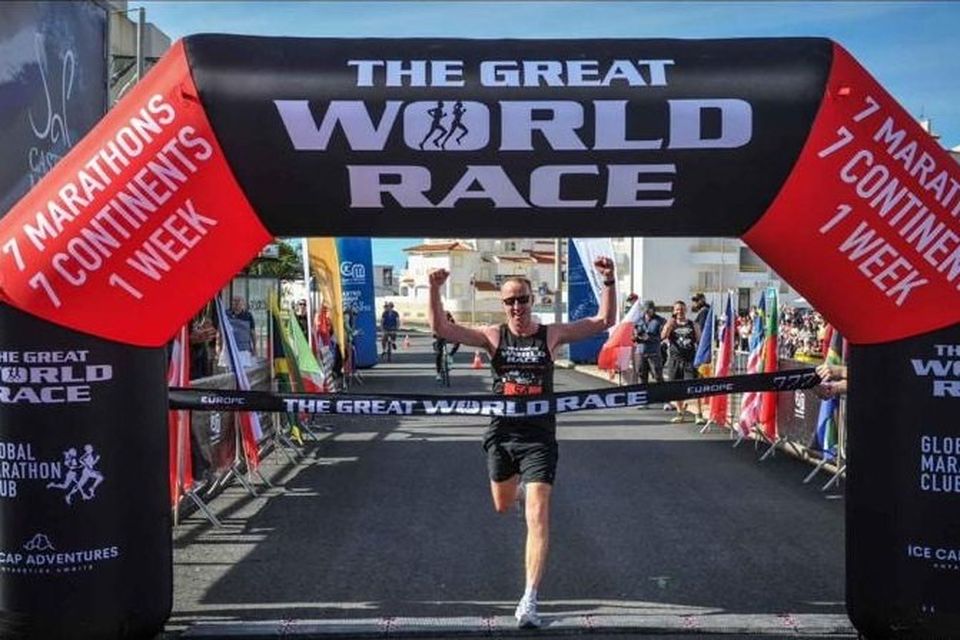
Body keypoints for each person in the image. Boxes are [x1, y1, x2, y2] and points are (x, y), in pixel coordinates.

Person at [428, 257, 616, 629]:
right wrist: (434, 289)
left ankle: (529, 599)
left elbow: (603, 322)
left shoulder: (551, 335)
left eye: (523, 299)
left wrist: (608, 280)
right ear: (503, 305)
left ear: (533, 300)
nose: (518, 307)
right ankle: (516, 491)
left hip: (538, 438)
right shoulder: (493, 336)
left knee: (538, 512)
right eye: (511, 301)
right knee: (502, 505)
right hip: (502, 435)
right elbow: (442, 328)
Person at [661, 300, 702, 423]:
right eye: (677, 309)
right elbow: (663, 336)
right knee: (677, 388)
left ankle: (698, 414)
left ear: (686, 310)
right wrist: (668, 325)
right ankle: (680, 413)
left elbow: (699, 341)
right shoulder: (670, 324)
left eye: (682, 309)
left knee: (693, 388)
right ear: (674, 311)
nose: (680, 311)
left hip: (690, 360)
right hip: (675, 361)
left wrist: (701, 359)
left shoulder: (693, 324)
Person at [631, 300, 665, 389]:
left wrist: (649, 338)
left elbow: (662, 337)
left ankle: (662, 395)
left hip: (653, 353)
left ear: (653, 309)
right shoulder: (638, 320)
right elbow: (632, 336)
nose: (647, 311)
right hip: (640, 352)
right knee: (641, 375)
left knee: (657, 376)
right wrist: (635, 337)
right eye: (645, 309)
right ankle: (644, 395)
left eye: (649, 309)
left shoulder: (660, 320)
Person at [218, 296, 256, 369]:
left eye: (239, 301)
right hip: (228, 349)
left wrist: (254, 348)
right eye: (234, 301)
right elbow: (220, 330)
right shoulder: (226, 314)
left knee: (243, 371)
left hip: (243, 349)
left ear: (243, 303)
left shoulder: (248, 316)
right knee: (228, 371)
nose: (236, 303)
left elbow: (253, 333)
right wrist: (218, 346)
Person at [433, 311, 461, 380]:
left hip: (449, 337)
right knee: (439, 353)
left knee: (457, 342)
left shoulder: (451, 321)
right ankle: (438, 373)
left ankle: (450, 355)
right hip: (440, 338)